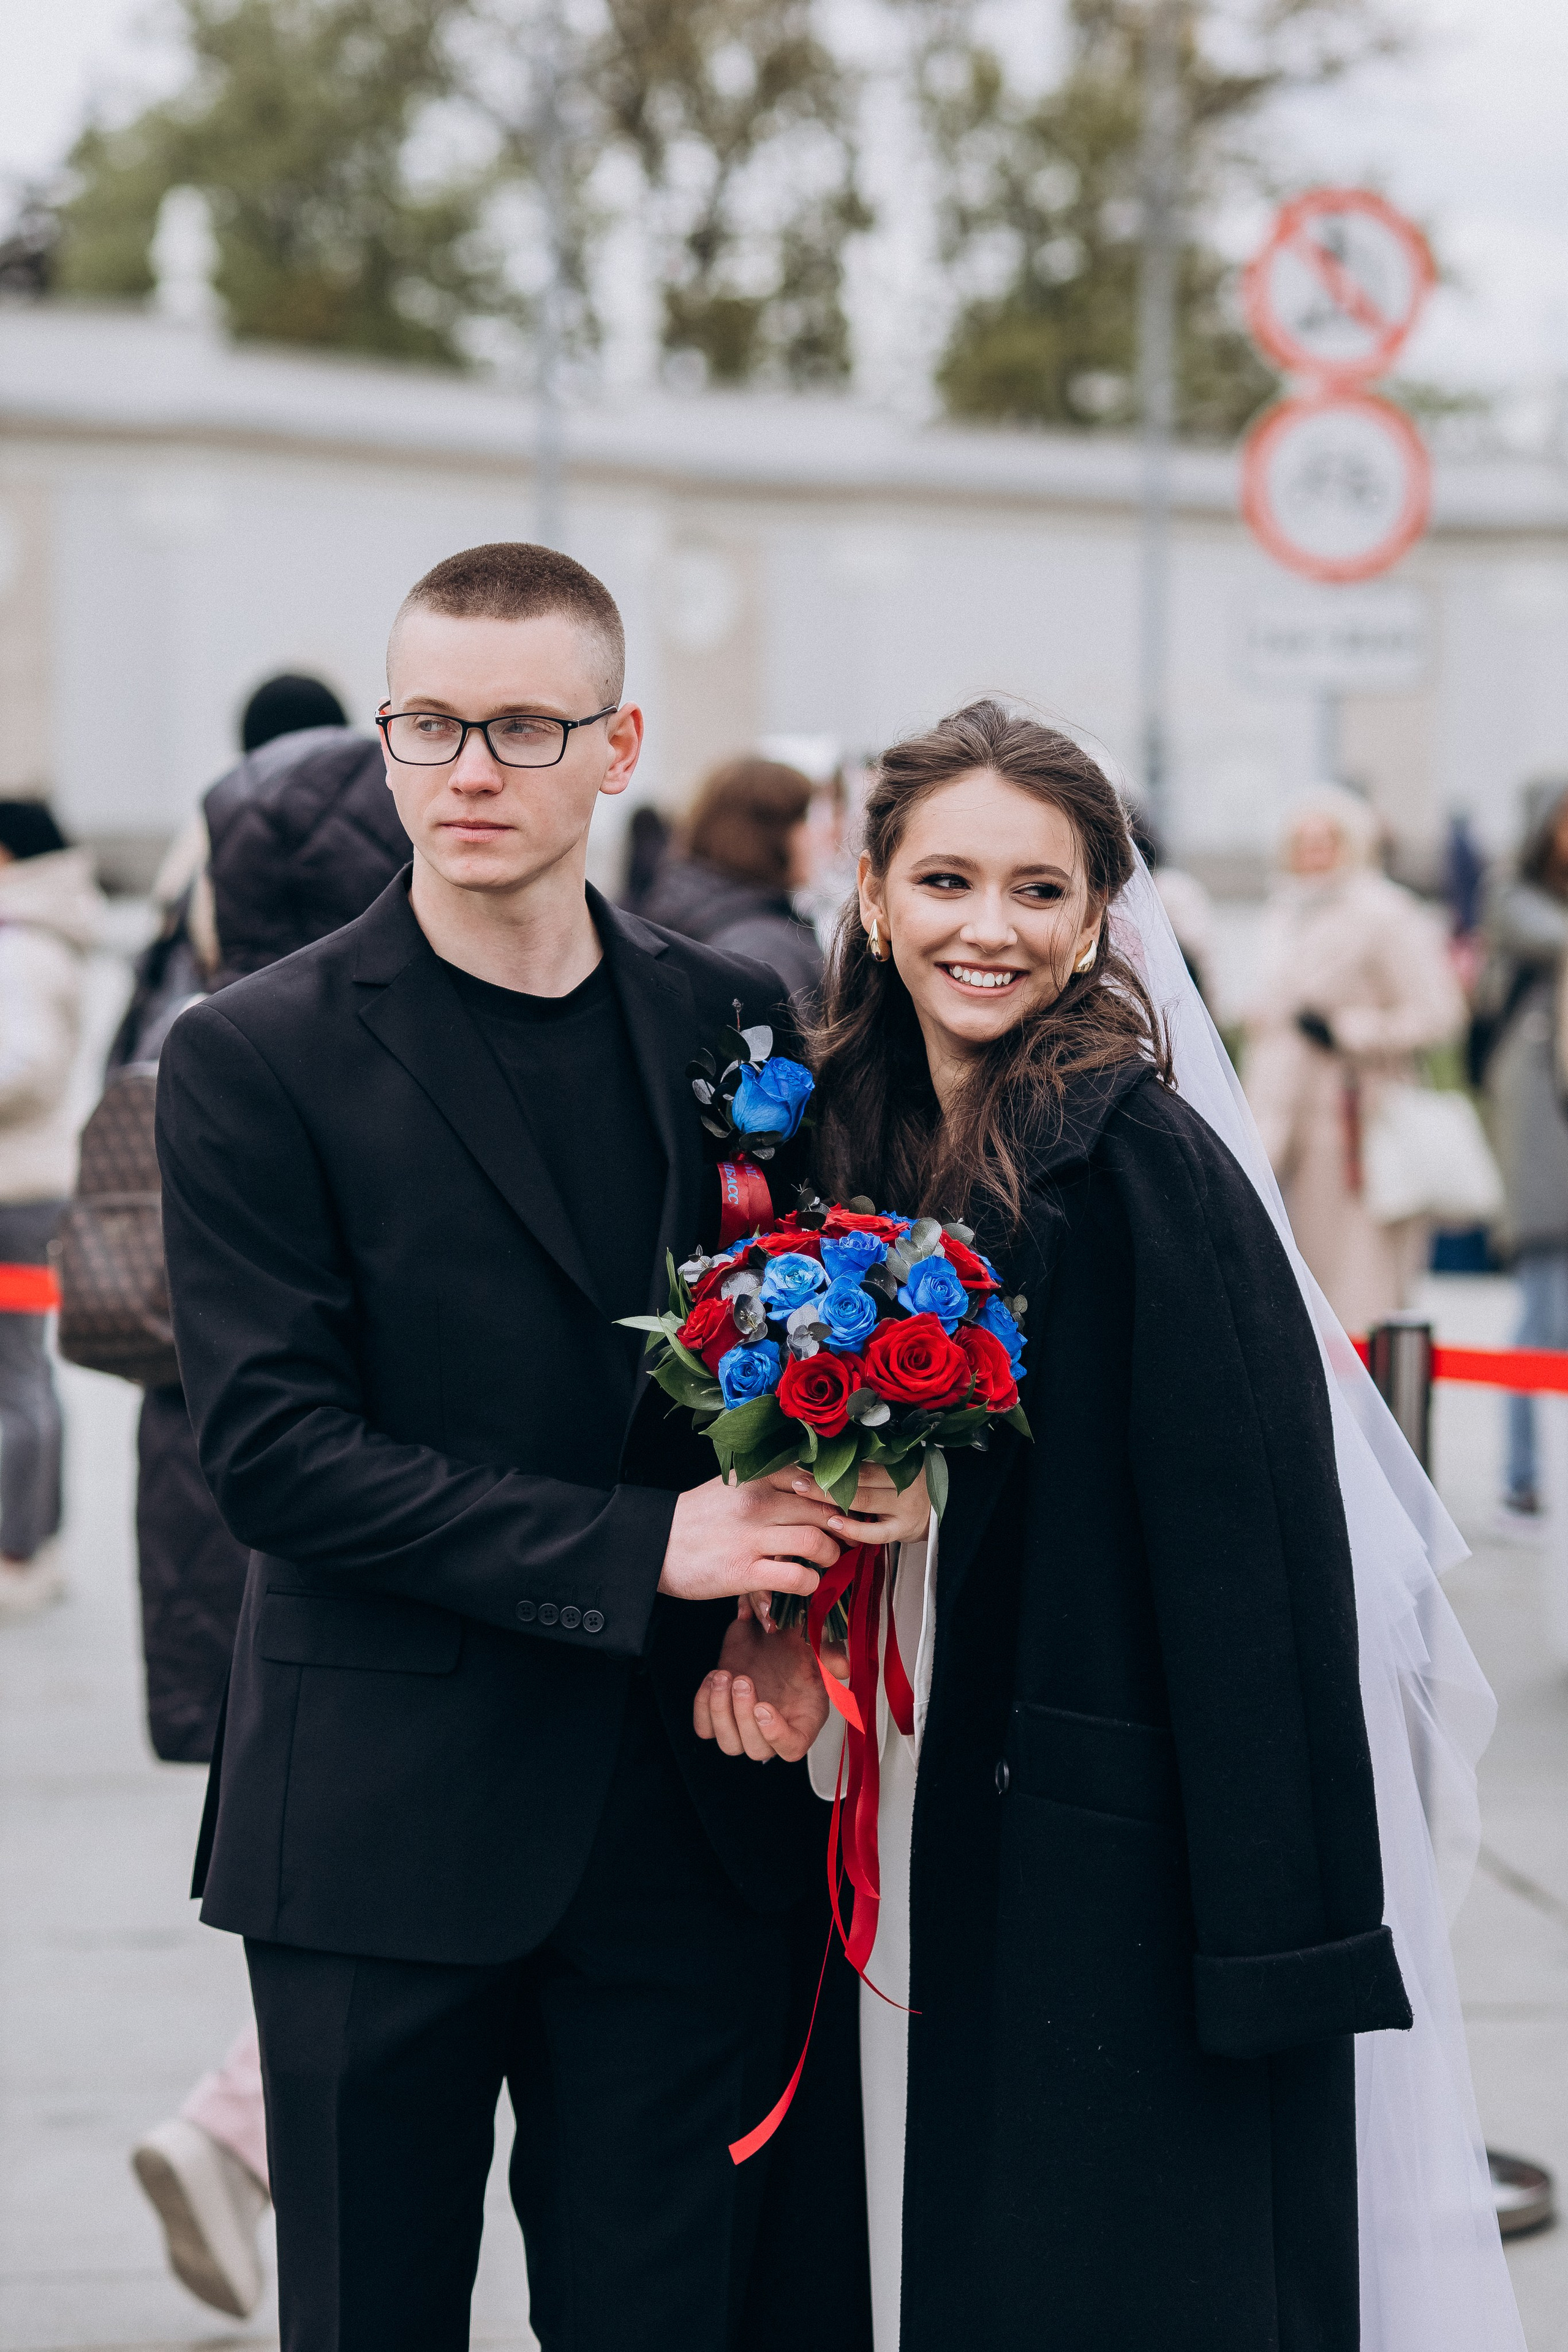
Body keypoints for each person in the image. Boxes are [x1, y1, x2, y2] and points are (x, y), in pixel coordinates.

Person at [692, 701, 1524, 2352]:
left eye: (1037, 891)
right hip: (840, 1775)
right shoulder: (804, 1135)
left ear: (1097, 921)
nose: (985, 929)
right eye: (944, 881)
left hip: (1072, 1804)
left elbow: (1259, 1573)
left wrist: (1280, 1938)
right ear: (870, 892)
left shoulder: (1149, 1169)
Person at [154, 542, 877, 2351]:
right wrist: (648, 1555)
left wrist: (780, 1612)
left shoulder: (730, 1018)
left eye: (523, 725)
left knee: (667, 2310)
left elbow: (794, 1375)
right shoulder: (253, 1051)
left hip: (677, 1812)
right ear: (387, 742)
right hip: (375, 1812)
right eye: (429, 723)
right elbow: (272, 1453)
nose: (469, 768)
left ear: (617, 741)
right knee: (371, 2313)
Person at [129, 698, 409, 2319]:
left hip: (212, 1517)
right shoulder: (340, 1052)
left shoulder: (209, 1023)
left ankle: (234, 2124)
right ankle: (232, 2125)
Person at [1242, 782, 1465, 1333]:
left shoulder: (1385, 913)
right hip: (1276, 1128)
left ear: (1353, 843)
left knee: (1356, 1300)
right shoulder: (1281, 913)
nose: (1313, 851)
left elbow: (1440, 1012)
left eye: (1328, 839)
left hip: (1352, 1133)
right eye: (1302, 839)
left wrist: (1348, 1031)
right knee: (1287, 1298)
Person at [0, 801, 105, 1617]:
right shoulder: (51, 937)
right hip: (38, 1194)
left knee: (14, 1375)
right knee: (25, 1369)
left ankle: (16, 1549)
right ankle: (42, 1541)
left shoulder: (19, 946)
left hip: (13, 1197)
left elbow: (24, 1066)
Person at [1482, 780, 1568, 1516]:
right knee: (1542, 1314)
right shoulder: (1512, 895)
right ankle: (1521, 1476)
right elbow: (1548, 933)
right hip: (1541, 1113)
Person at [638, 755, 825, 1000]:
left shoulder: (700, 913)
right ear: (769, 833)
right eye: (806, 818)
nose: (821, 834)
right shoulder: (763, 951)